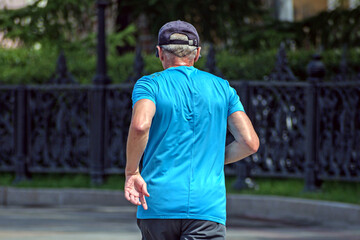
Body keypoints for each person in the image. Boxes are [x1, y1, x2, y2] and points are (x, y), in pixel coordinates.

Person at [124, 20, 259, 240]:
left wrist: (132, 172)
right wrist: (211, 158)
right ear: (197, 54)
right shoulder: (222, 88)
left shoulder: (150, 85)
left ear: (159, 52)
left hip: (158, 202)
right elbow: (249, 143)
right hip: (207, 208)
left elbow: (140, 125)